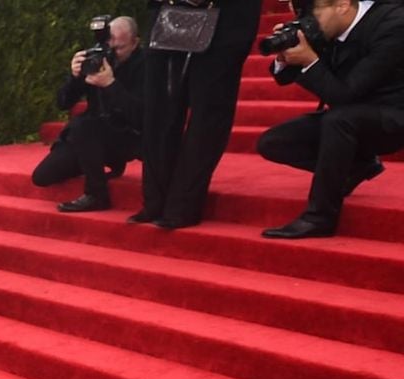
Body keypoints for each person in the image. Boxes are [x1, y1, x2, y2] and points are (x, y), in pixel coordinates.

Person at [256, 0, 404, 239]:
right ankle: (359, 165)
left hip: (393, 117)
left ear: (343, 5)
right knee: (273, 142)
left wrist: (309, 60)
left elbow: (345, 94)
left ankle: (319, 218)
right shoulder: (330, 25)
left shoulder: (394, 24)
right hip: (351, 114)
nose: (310, 22)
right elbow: (285, 79)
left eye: (314, 14)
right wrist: (287, 55)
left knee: (339, 120)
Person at [134, 0, 258, 229]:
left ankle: (182, 205)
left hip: (227, 21)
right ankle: (154, 201)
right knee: (158, 111)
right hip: (169, 17)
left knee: (208, 113)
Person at [33, 16, 146, 213]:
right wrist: (75, 77)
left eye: (119, 48)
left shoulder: (147, 65)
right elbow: (63, 102)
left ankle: (97, 195)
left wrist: (111, 85)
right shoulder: (97, 57)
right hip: (91, 136)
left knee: (82, 125)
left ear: (135, 42)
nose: (112, 53)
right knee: (43, 176)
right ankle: (95, 158)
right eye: (109, 47)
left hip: (128, 135)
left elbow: (142, 116)